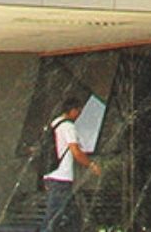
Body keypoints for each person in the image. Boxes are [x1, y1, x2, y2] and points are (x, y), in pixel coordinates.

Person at [42, 96, 100, 232]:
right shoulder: (68, 127)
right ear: (73, 110)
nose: (79, 115)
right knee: (53, 219)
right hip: (61, 178)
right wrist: (91, 165)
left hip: (52, 175)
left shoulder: (55, 123)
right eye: (79, 111)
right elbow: (76, 152)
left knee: (74, 218)